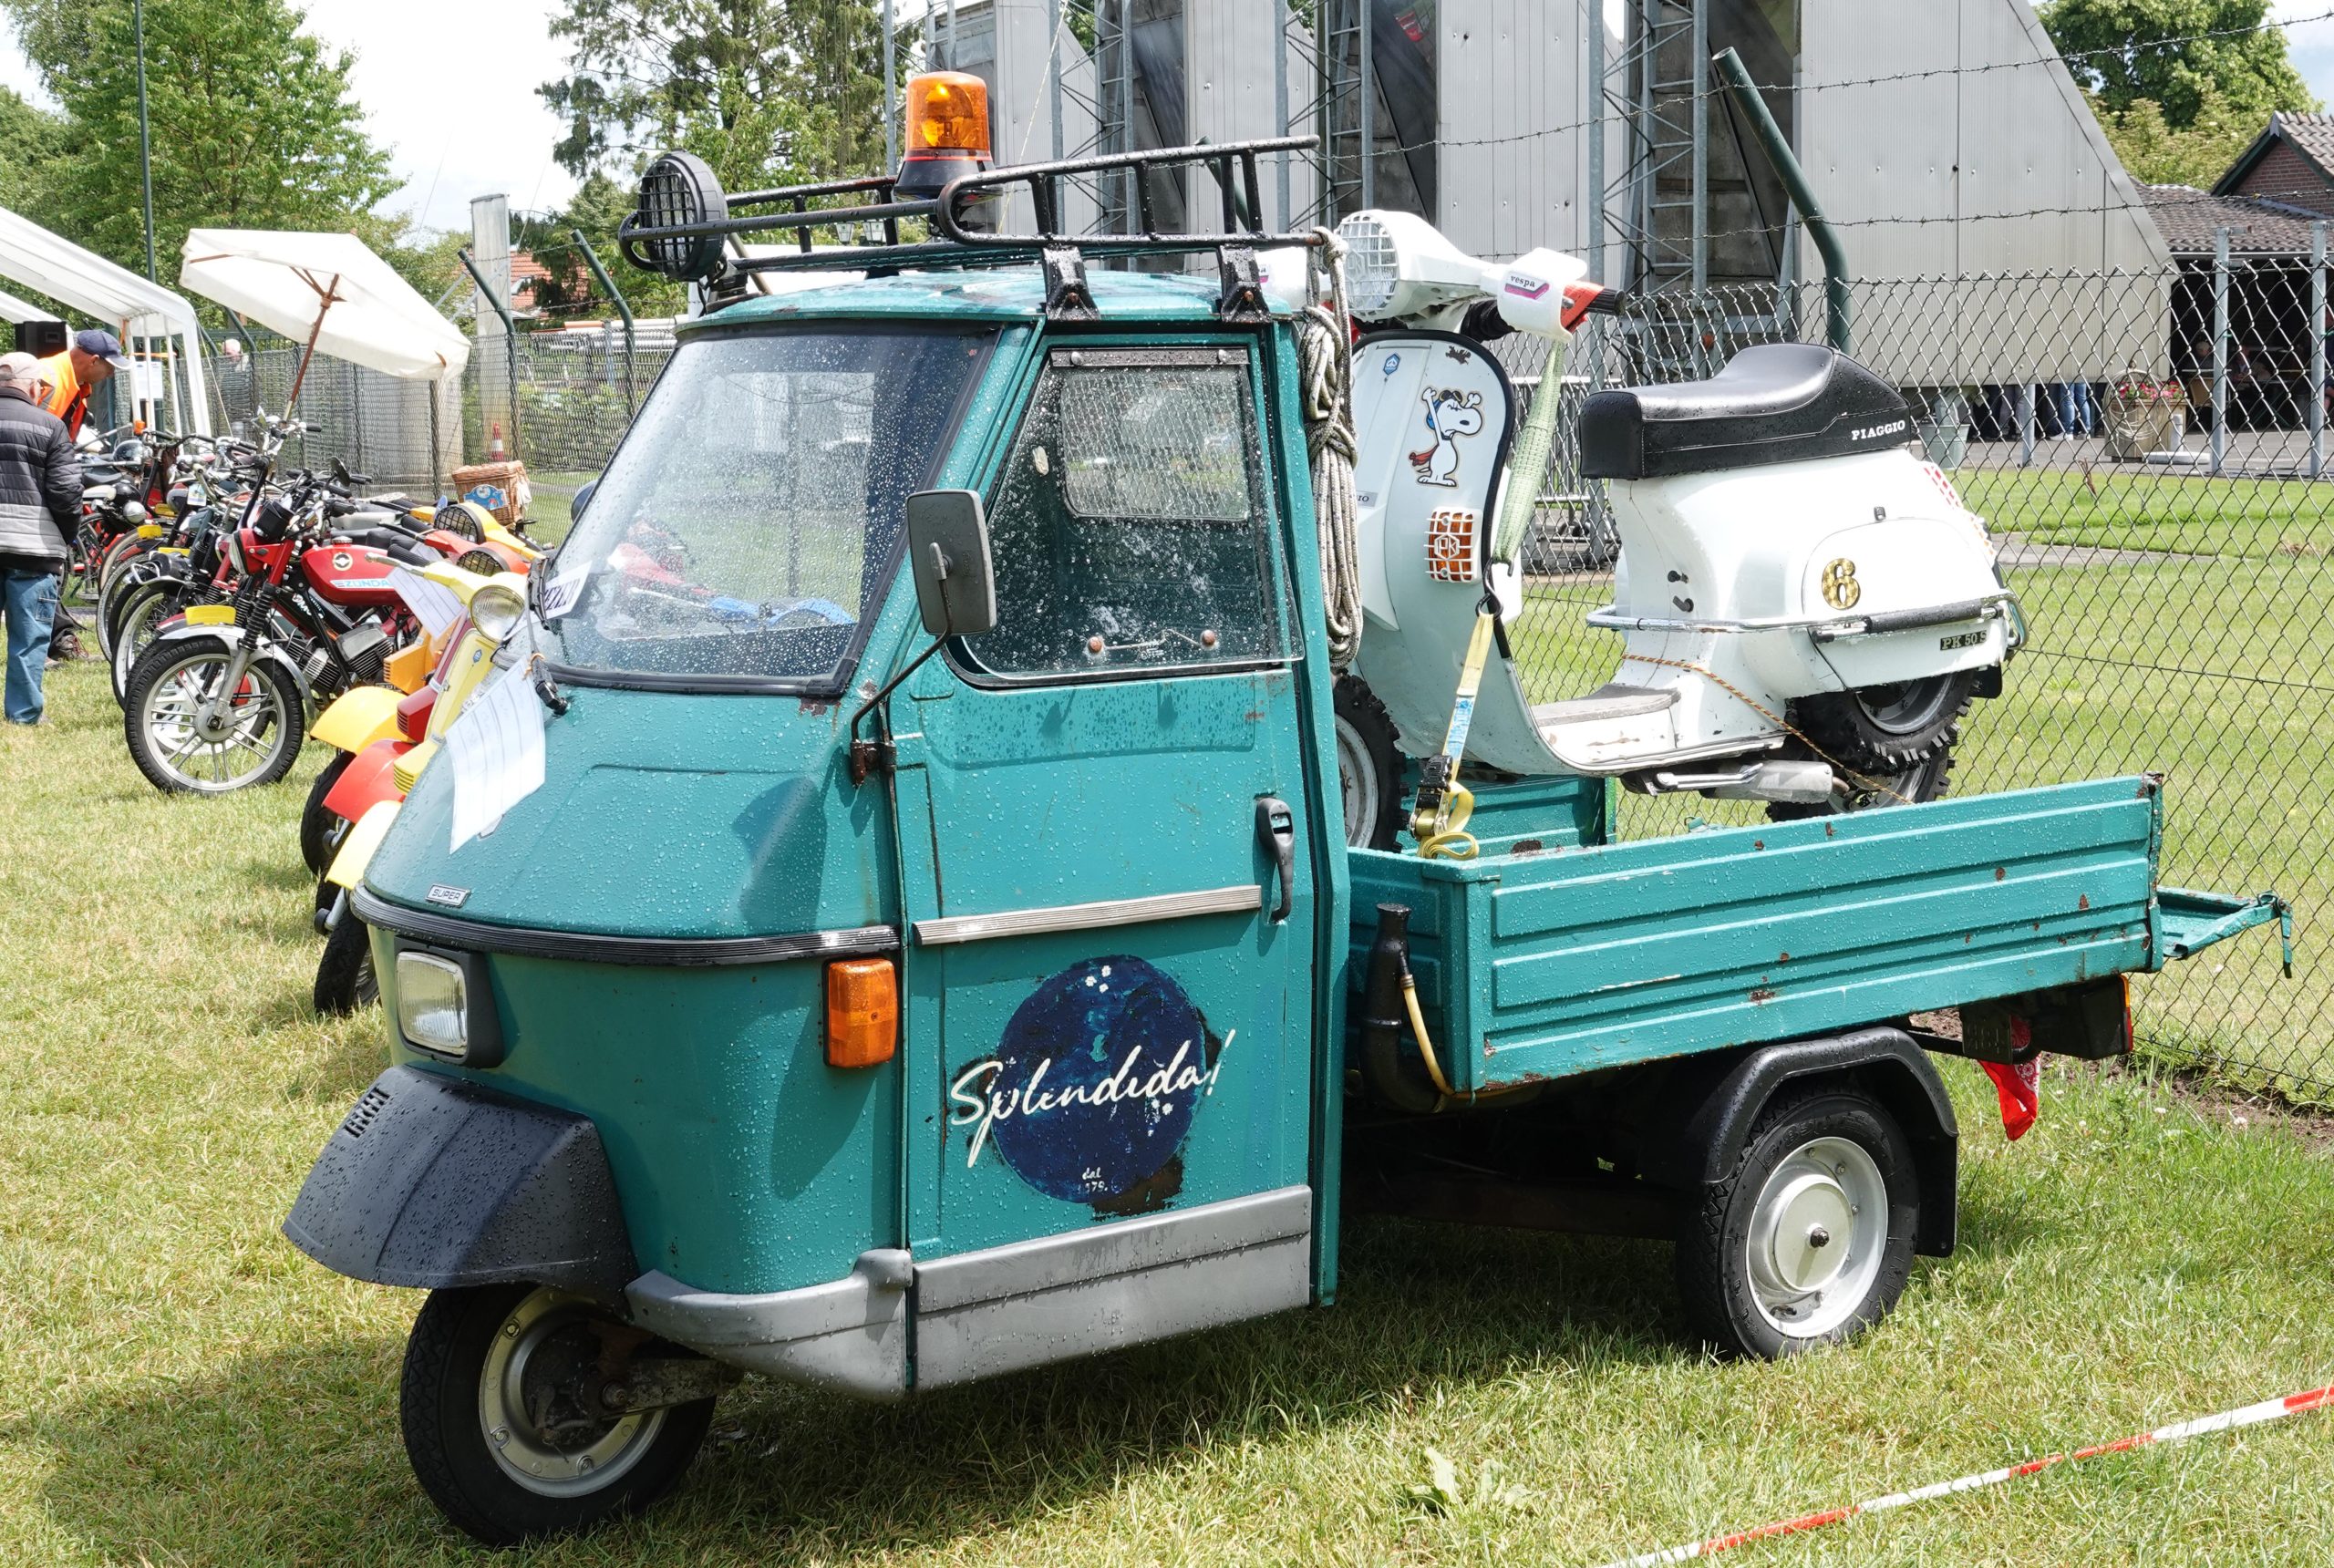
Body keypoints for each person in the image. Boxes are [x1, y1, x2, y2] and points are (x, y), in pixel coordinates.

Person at [0, 350, 84, 723]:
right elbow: (66, 493)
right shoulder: (49, 426)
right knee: (29, 637)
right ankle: (23, 714)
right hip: (32, 548)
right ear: (33, 386)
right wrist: (64, 537)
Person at [37, 327, 132, 439]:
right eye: (110, 368)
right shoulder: (43, 377)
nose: (110, 374)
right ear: (94, 361)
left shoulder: (80, 387)